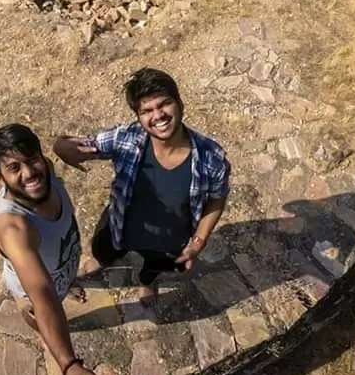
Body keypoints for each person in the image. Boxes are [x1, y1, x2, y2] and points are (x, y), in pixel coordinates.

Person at [54, 68, 231, 304]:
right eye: (147, 110)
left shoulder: (212, 157)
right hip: (118, 225)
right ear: (138, 117)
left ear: (180, 103)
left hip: (169, 241)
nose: (158, 116)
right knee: (103, 250)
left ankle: (147, 282)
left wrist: (198, 242)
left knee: (154, 267)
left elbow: (217, 198)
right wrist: (60, 146)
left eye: (164, 104)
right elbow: (80, 145)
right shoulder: (125, 139)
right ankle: (102, 261)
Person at [0, 124, 104, 375]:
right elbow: (42, 294)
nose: (29, 173)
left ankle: (67, 286)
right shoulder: (14, 227)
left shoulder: (46, 169)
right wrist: (69, 365)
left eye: (31, 159)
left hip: (62, 268)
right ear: (0, 178)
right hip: (35, 292)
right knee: (35, 314)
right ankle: (44, 334)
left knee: (61, 287)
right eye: (14, 168)